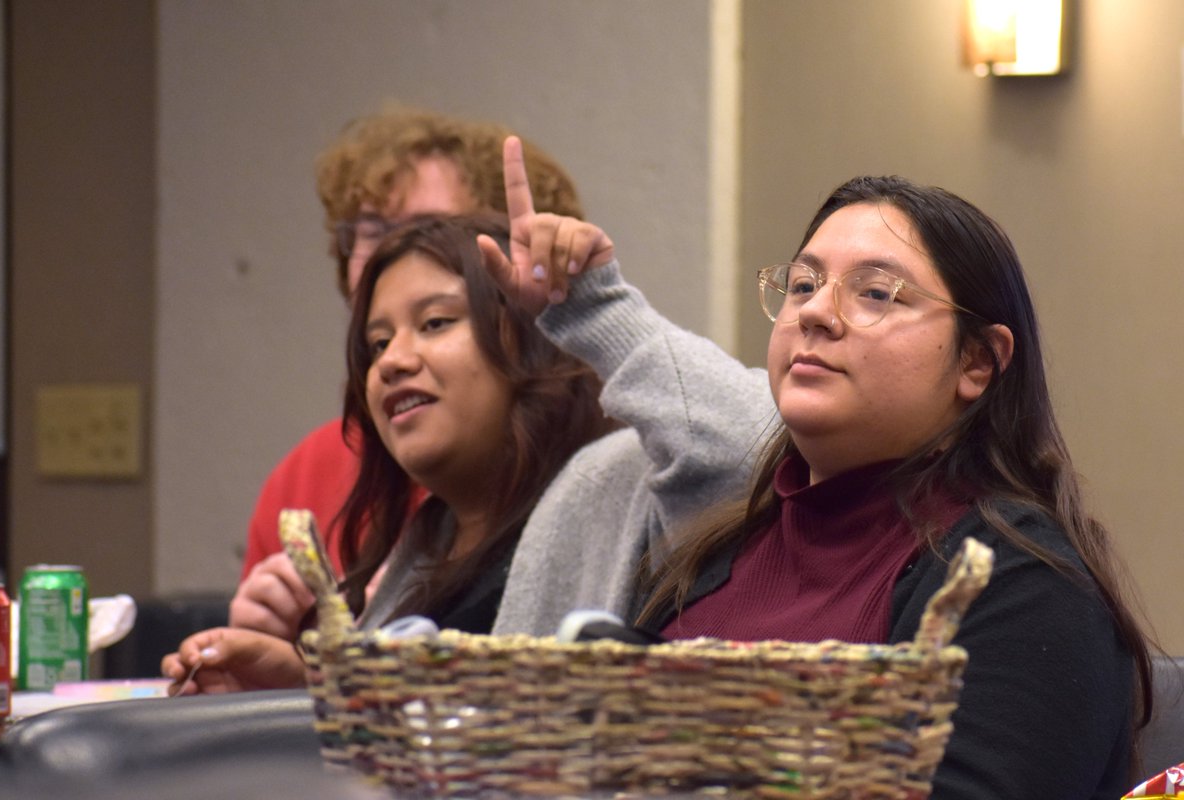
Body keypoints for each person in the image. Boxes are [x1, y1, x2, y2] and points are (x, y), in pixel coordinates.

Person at [477, 140, 1152, 798]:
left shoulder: (1028, 588)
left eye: (876, 293)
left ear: (978, 361)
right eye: (803, 284)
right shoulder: (713, 556)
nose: (816, 314)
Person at [164, 213, 614, 692]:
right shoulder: (423, 549)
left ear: (530, 340)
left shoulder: (613, 482)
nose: (393, 361)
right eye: (378, 344)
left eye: (435, 322)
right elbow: (410, 737)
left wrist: (608, 307)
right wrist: (299, 693)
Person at [230, 107, 585, 640]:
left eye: (430, 230)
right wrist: (276, 658)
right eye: (368, 232)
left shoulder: (599, 482)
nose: (390, 254)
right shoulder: (306, 472)